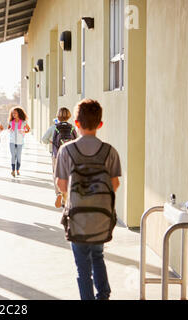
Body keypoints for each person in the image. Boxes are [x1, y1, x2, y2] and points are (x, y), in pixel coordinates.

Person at [55, 99, 121, 300]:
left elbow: (62, 185)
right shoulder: (109, 151)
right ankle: (104, 295)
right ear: (100, 124)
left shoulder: (66, 150)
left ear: (76, 123)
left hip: (77, 218)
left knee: (82, 265)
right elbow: (115, 184)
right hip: (101, 218)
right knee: (98, 256)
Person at [42, 107, 77, 208]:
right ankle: (65, 196)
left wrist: (51, 142)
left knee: (56, 175)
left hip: (56, 155)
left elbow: (43, 139)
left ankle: (58, 193)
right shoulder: (72, 127)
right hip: (69, 155)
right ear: (69, 116)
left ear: (58, 116)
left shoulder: (54, 127)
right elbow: (76, 140)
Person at [7, 106, 30, 177]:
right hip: (12, 142)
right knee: (13, 156)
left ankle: (18, 170)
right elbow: (8, 129)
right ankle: (13, 170)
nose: (14, 115)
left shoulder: (23, 122)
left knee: (18, 156)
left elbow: (28, 130)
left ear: (19, 114)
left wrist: (23, 131)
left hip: (20, 142)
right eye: (13, 113)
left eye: (15, 113)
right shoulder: (11, 122)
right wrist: (10, 130)